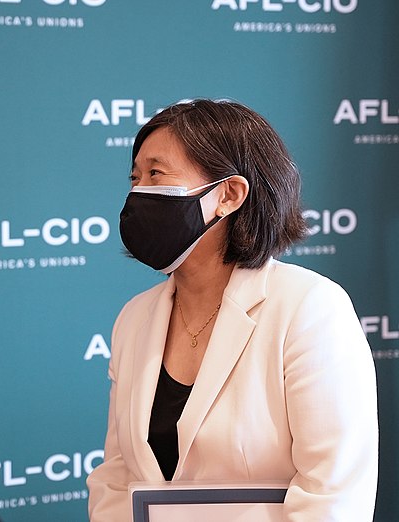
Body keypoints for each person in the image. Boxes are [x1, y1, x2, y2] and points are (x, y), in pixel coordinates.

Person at [86, 99, 378, 520]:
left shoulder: (309, 306)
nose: (137, 192)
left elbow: (333, 494)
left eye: (156, 173)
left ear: (228, 195)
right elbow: (117, 476)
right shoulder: (135, 317)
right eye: (134, 177)